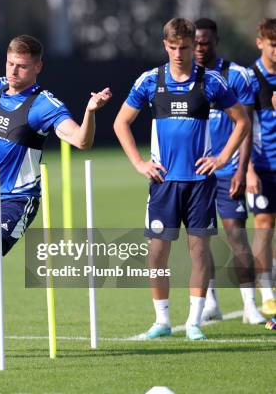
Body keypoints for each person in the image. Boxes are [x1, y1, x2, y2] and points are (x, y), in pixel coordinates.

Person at [0, 35, 112, 360]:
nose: (14, 71)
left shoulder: (45, 105)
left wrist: (90, 112)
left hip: (18, 198)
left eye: (22, 66)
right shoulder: (0, 86)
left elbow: (80, 140)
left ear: (38, 67)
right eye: (10, 64)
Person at [113, 18, 250, 340]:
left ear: (193, 46)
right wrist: (139, 163)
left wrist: (222, 157)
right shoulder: (150, 81)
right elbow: (121, 122)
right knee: (157, 253)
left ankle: (194, 322)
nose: (179, 53)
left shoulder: (210, 82)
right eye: (173, 47)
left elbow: (242, 121)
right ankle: (161, 320)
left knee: (199, 252)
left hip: (200, 184)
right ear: (165, 45)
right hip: (163, 183)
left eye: (185, 47)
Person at [192, 18, 266, 325]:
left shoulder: (237, 75)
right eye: (194, 42)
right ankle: (211, 303)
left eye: (205, 42)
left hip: (228, 171)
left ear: (216, 40)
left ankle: (250, 305)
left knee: (237, 236)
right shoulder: (181, 78)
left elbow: (246, 128)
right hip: (196, 173)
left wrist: (243, 169)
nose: (199, 48)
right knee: (200, 241)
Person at [246, 18, 276, 318]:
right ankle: (267, 294)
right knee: (264, 226)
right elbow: (241, 127)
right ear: (260, 43)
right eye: (273, 45)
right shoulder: (251, 78)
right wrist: (248, 170)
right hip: (263, 165)